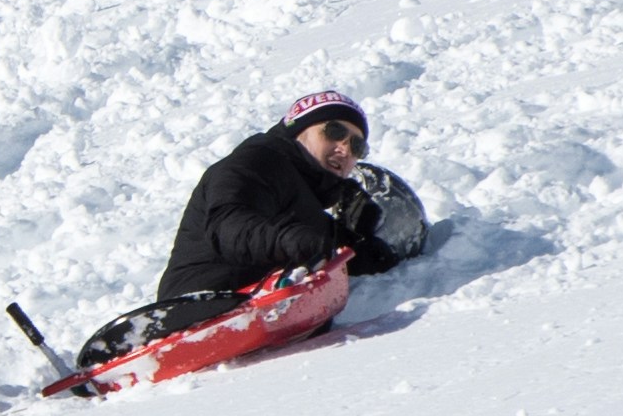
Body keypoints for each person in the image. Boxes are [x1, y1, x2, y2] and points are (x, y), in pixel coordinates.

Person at [79, 88, 435, 366]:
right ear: (300, 129)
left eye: (356, 144)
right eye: (334, 131)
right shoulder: (254, 162)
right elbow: (228, 225)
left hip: (258, 314)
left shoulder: (310, 203)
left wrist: (371, 245)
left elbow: (337, 255)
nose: (344, 147)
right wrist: (299, 240)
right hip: (205, 296)